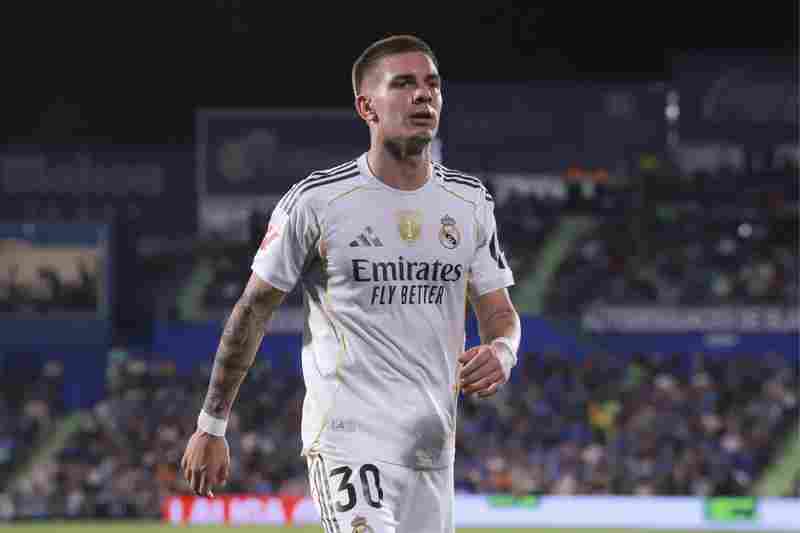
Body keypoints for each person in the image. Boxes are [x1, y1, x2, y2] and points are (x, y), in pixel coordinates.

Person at [181, 34, 521, 533]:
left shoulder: (469, 203)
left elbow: (499, 312)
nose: (423, 94)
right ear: (367, 107)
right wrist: (211, 424)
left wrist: (503, 350)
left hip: (432, 447)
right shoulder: (317, 202)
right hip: (347, 440)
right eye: (402, 84)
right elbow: (252, 310)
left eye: (432, 84)